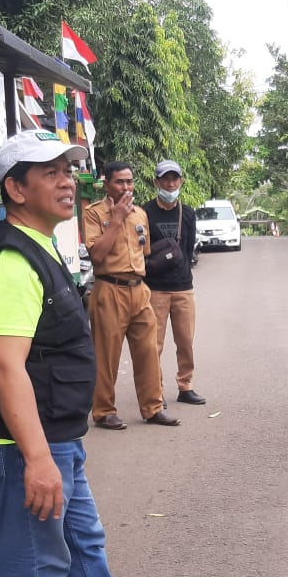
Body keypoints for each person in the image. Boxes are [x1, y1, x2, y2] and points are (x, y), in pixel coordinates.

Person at [0, 130, 178, 577]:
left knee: (80, 538)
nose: (67, 181)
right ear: (15, 188)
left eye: (69, 170)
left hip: (56, 432)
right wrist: (36, 459)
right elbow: (4, 366)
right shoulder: (10, 261)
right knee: (35, 556)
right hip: (24, 442)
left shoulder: (41, 244)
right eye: (50, 172)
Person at [82, 161, 179, 429]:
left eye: (129, 181)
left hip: (139, 289)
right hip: (109, 289)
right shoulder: (93, 214)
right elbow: (97, 255)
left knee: (148, 352)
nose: (126, 187)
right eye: (119, 182)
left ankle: (153, 407)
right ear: (106, 184)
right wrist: (116, 220)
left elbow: (144, 251)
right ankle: (104, 411)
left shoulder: (140, 214)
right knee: (106, 356)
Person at [142, 159, 205, 406]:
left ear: (181, 181)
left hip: (183, 288)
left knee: (186, 341)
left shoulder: (187, 213)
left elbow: (188, 250)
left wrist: (183, 274)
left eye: (174, 179)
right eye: (165, 179)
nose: (170, 184)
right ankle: (155, 390)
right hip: (155, 289)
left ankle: (185, 386)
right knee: (153, 344)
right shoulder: (144, 212)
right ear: (156, 182)